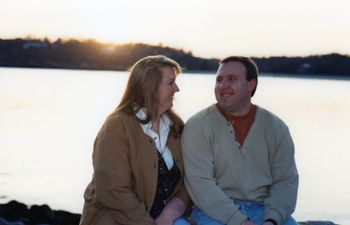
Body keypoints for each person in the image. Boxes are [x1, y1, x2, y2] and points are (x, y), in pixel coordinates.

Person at [181, 56, 299, 225]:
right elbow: (200, 183)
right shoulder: (197, 126)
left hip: (264, 210)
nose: (223, 86)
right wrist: (238, 221)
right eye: (219, 79)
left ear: (251, 85)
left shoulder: (276, 128)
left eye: (232, 79)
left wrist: (272, 220)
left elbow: (286, 181)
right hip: (214, 212)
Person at [79, 55, 191, 225]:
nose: (177, 89)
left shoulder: (175, 126)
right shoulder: (116, 126)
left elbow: (190, 180)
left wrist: (171, 211)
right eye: (170, 83)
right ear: (150, 88)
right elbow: (114, 192)